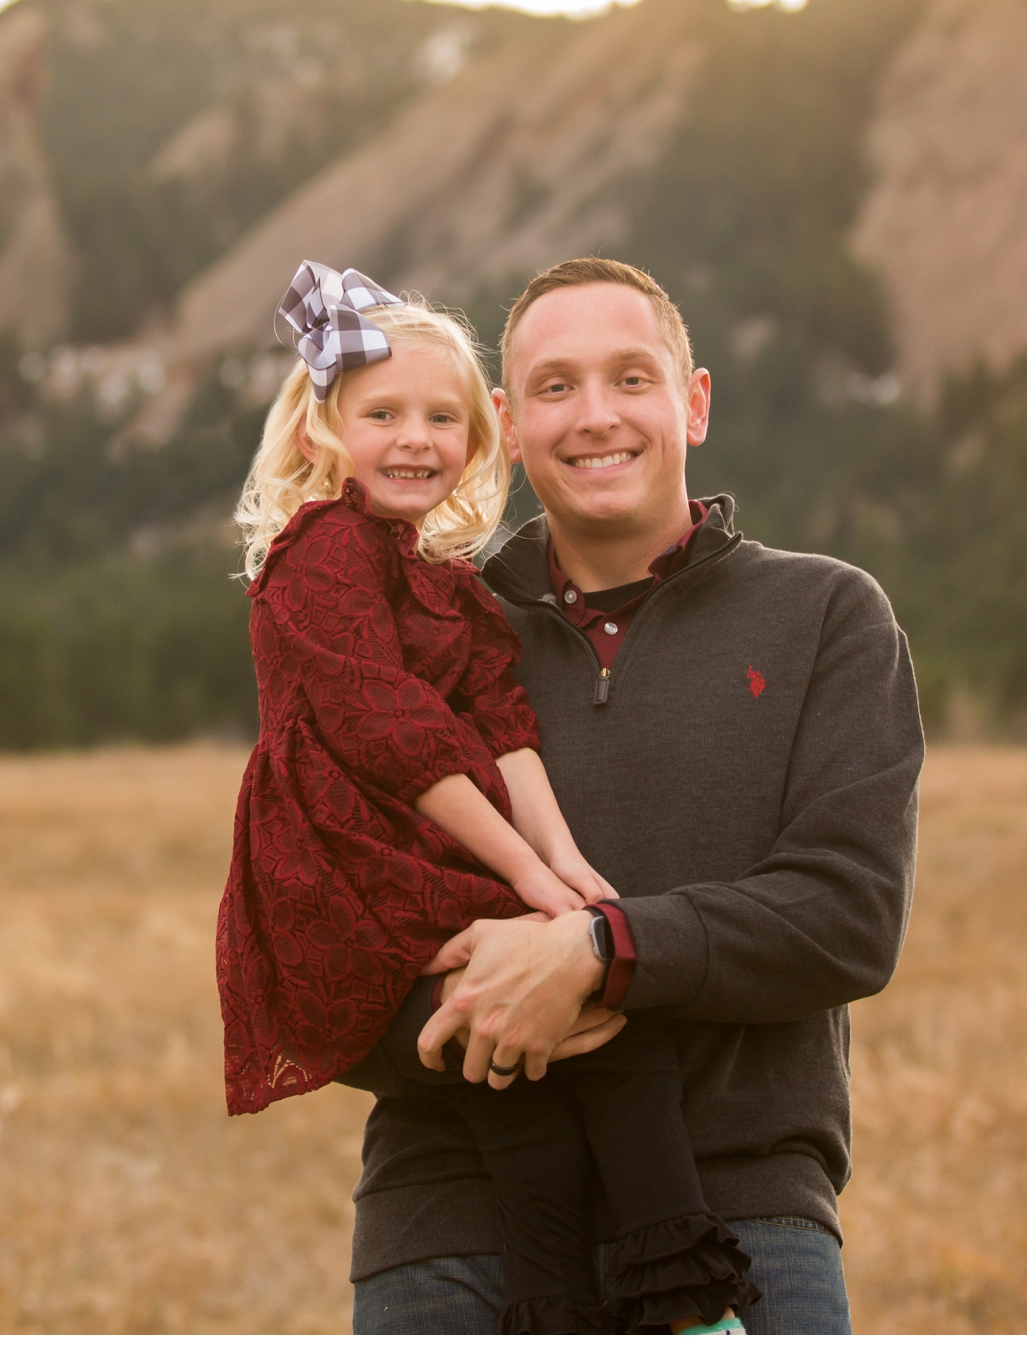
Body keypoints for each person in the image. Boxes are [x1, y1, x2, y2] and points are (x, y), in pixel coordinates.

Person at [342, 257, 925, 1335]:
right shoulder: (402, 634)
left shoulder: (826, 616)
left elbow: (849, 913)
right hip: (453, 1227)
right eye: (556, 387)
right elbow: (321, 935)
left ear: (692, 400)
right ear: (508, 424)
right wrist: (477, 1009)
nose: (595, 415)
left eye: (631, 377)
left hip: (741, 1211)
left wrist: (599, 953)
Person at [216, 260, 762, 1333]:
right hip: (351, 863)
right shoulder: (323, 552)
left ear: (479, 437)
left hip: (426, 854)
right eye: (383, 413)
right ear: (326, 429)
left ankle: (554, 1306)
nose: (416, 437)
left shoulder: (445, 583)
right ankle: (690, 1299)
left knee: (524, 1077)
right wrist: (525, 875)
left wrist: (567, 875)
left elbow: (504, 727)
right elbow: (396, 732)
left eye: (440, 416)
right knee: (604, 1032)